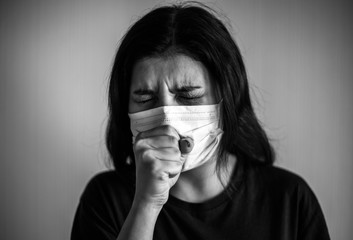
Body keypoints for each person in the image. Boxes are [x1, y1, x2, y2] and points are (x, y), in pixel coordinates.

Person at [71, 2, 330, 240]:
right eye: (146, 98)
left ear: (225, 97)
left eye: (187, 95)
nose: (166, 118)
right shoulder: (105, 199)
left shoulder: (289, 200)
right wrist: (147, 203)